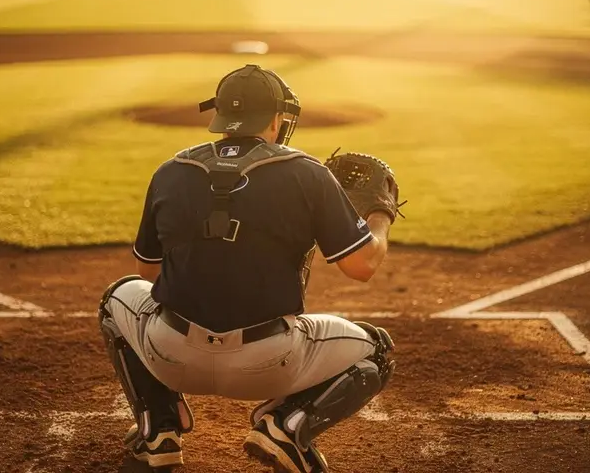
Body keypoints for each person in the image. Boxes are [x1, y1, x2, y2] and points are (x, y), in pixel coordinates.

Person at [98, 64, 399, 472]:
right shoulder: (309, 174)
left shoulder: (170, 172)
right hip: (268, 365)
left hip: (171, 355)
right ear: (277, 120)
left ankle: (158, 430)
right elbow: (362, 265)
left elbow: (148, 274)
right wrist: (379, 214)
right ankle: (286, 426)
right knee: (377, 350)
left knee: (117, 296)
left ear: (219, 116)